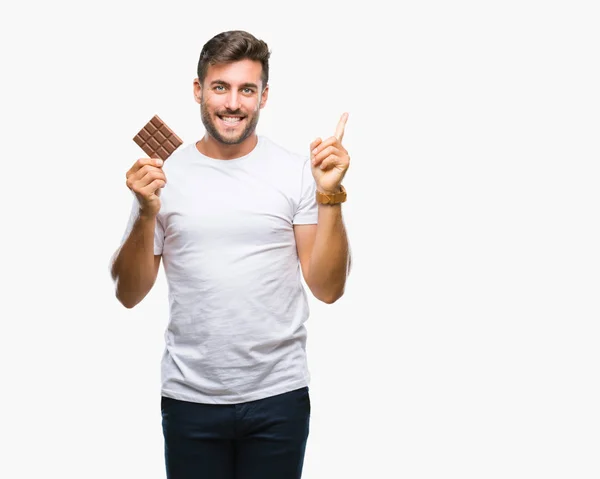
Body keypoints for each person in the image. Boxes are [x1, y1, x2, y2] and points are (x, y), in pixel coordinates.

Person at [110, 30, 352, 479]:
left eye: (247, 89)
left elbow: (328, 288)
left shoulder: (295, 171)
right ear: (199, 90)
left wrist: (330, 193)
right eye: (221, 87)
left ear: (263, 97)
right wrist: (146, 213)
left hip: (279, 396)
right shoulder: (164, 176)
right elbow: (128, 294)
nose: (233, 103)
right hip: (190, 399)